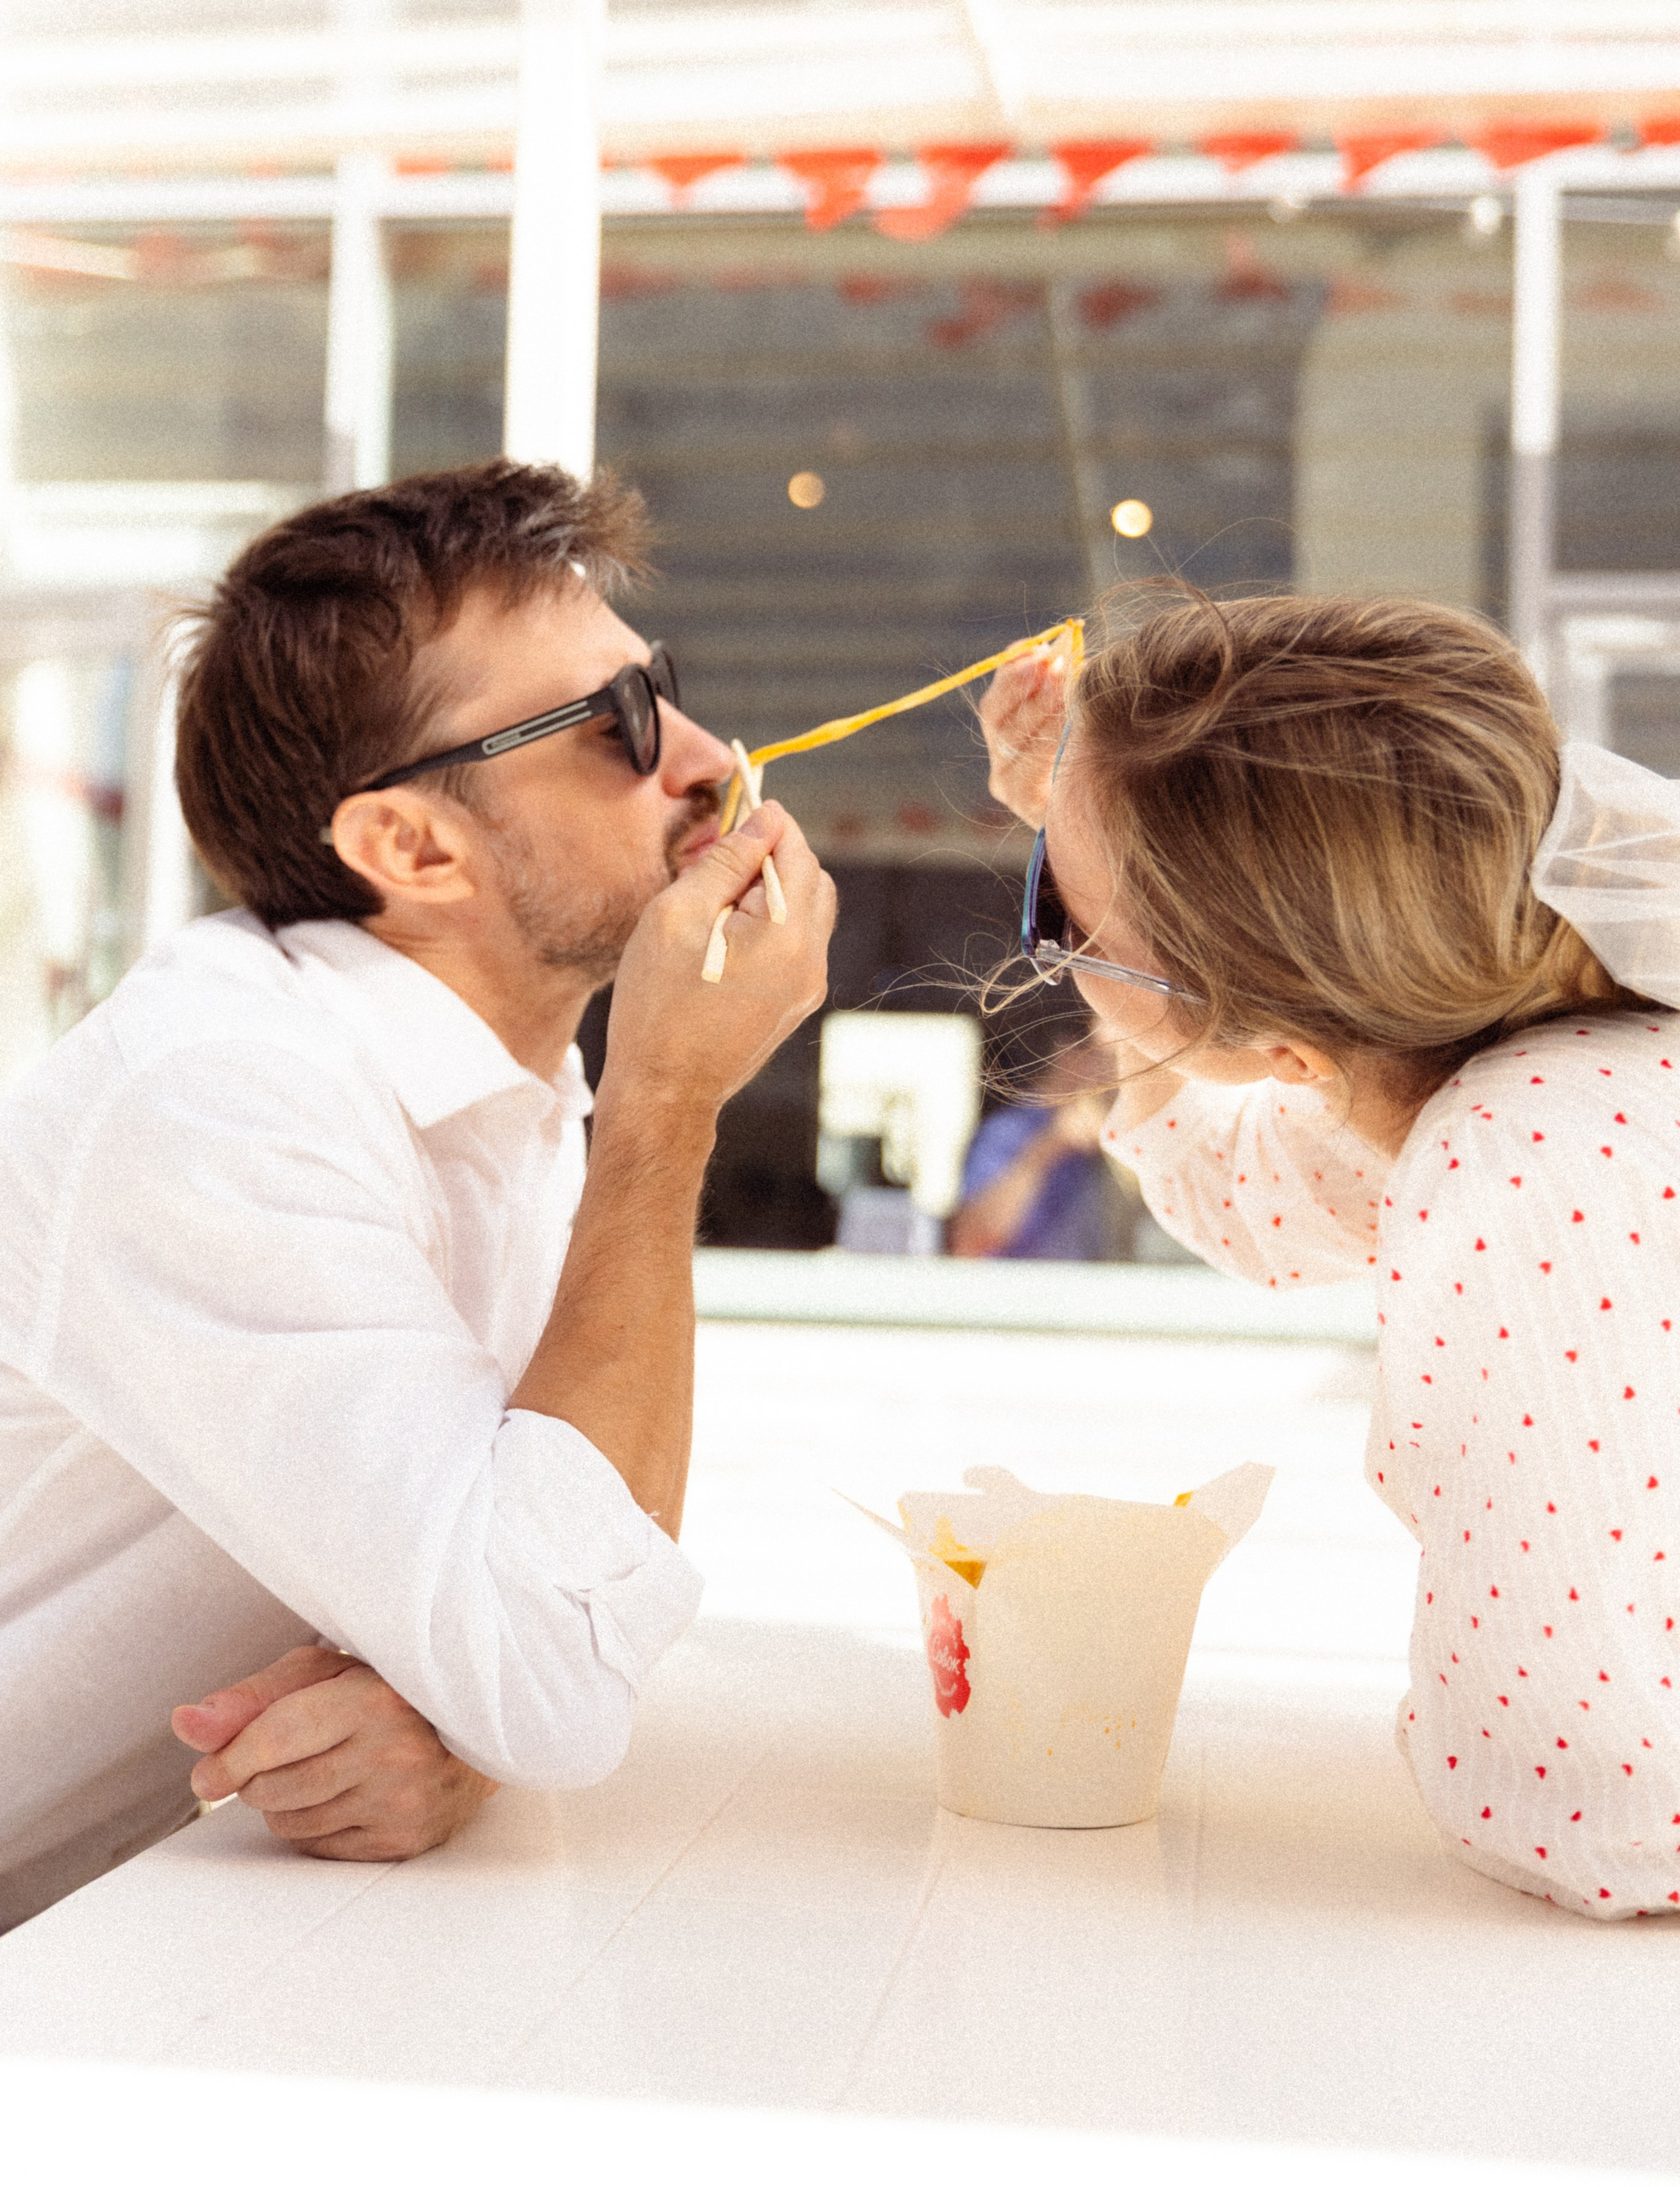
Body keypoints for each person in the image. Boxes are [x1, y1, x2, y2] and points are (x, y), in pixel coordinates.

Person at [0, 460, 835, 1930]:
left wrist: (450, 1717)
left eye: (668, 688)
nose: (707, 757)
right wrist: (669, 1104)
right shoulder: (220, 1096)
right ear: (409, 846)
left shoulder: (504, 1096)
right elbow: (558, 1660)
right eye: (619, 727)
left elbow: (562, 1600)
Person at [980, 587, 1680, 1922]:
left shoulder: (1520, 1167)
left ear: (1285, 1048)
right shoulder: (1521, 1056)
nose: (1046, 942)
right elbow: (1241, 1202)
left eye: (1054, 916)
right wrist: (1092, 842)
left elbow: (1590, 1806)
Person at [947, 1038, 1129, 1261]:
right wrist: (1054, 1143)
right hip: (1016, 1287)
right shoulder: (1013, 1129)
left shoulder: (1117, 1128)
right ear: (1069, 1055)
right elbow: (969, 1239)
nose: (1118, 1074)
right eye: (1105, 1058)